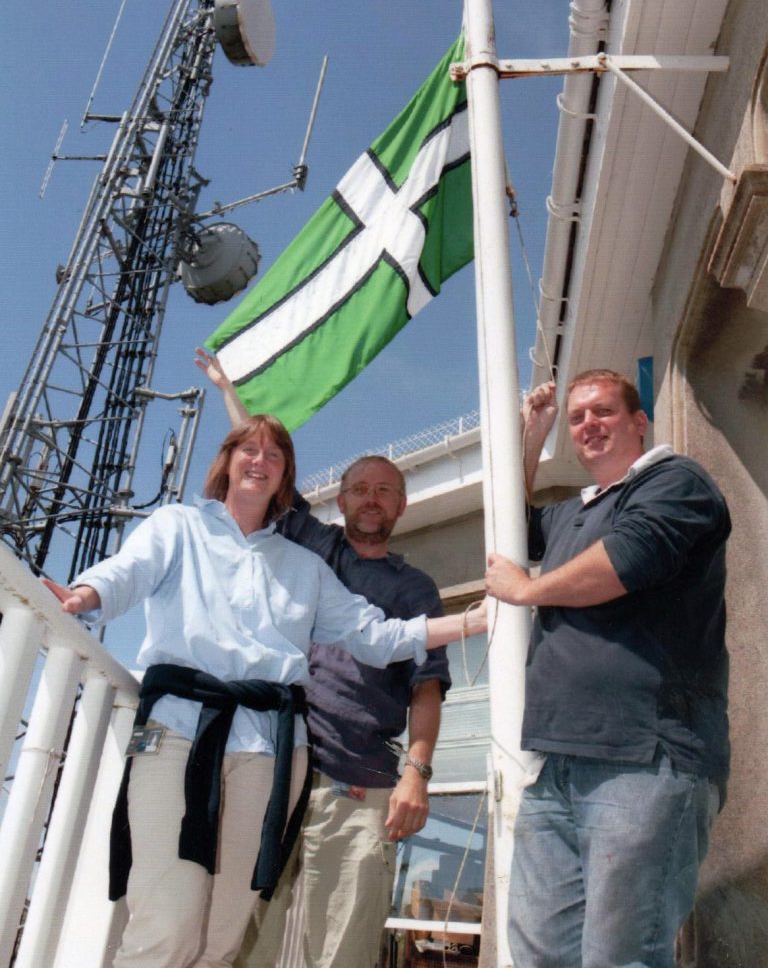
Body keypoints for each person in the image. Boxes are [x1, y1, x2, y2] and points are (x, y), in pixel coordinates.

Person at [46, 415, 486, 968]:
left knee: (226, 933)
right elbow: (129, 570)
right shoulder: (179, 525)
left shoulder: (305, 566)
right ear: (227, 461)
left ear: (285, 479)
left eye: (273, 456)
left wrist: (473, 621)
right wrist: (89, 592)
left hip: (269, 752)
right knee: (167, 920)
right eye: (248, 450)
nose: (259, 461)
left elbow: (378, 637)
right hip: (179, 732)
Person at [194, 350, 455, 968]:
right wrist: (229, 390)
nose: (371, 498)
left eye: (384, 491)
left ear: (401, 507)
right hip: (273, 771)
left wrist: (417, 772)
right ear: (339, 501)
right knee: (240, 936)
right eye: (360, 488)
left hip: (358, 788)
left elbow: (427, 690)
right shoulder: (313, 549)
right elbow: (262, 458)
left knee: (339, 950)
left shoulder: (416, 591)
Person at [485, 370, 730, 968]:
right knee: (542, 951)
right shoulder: (573, 514)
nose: (589, 425)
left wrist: (527, 590)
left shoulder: (677, 482)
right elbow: (508, 520)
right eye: (577, 418)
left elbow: (625, 560)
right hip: (558, 763)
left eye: (604, 412)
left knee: (621, 956)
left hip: (646, 760)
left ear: (638, 421)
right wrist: (530, 436)